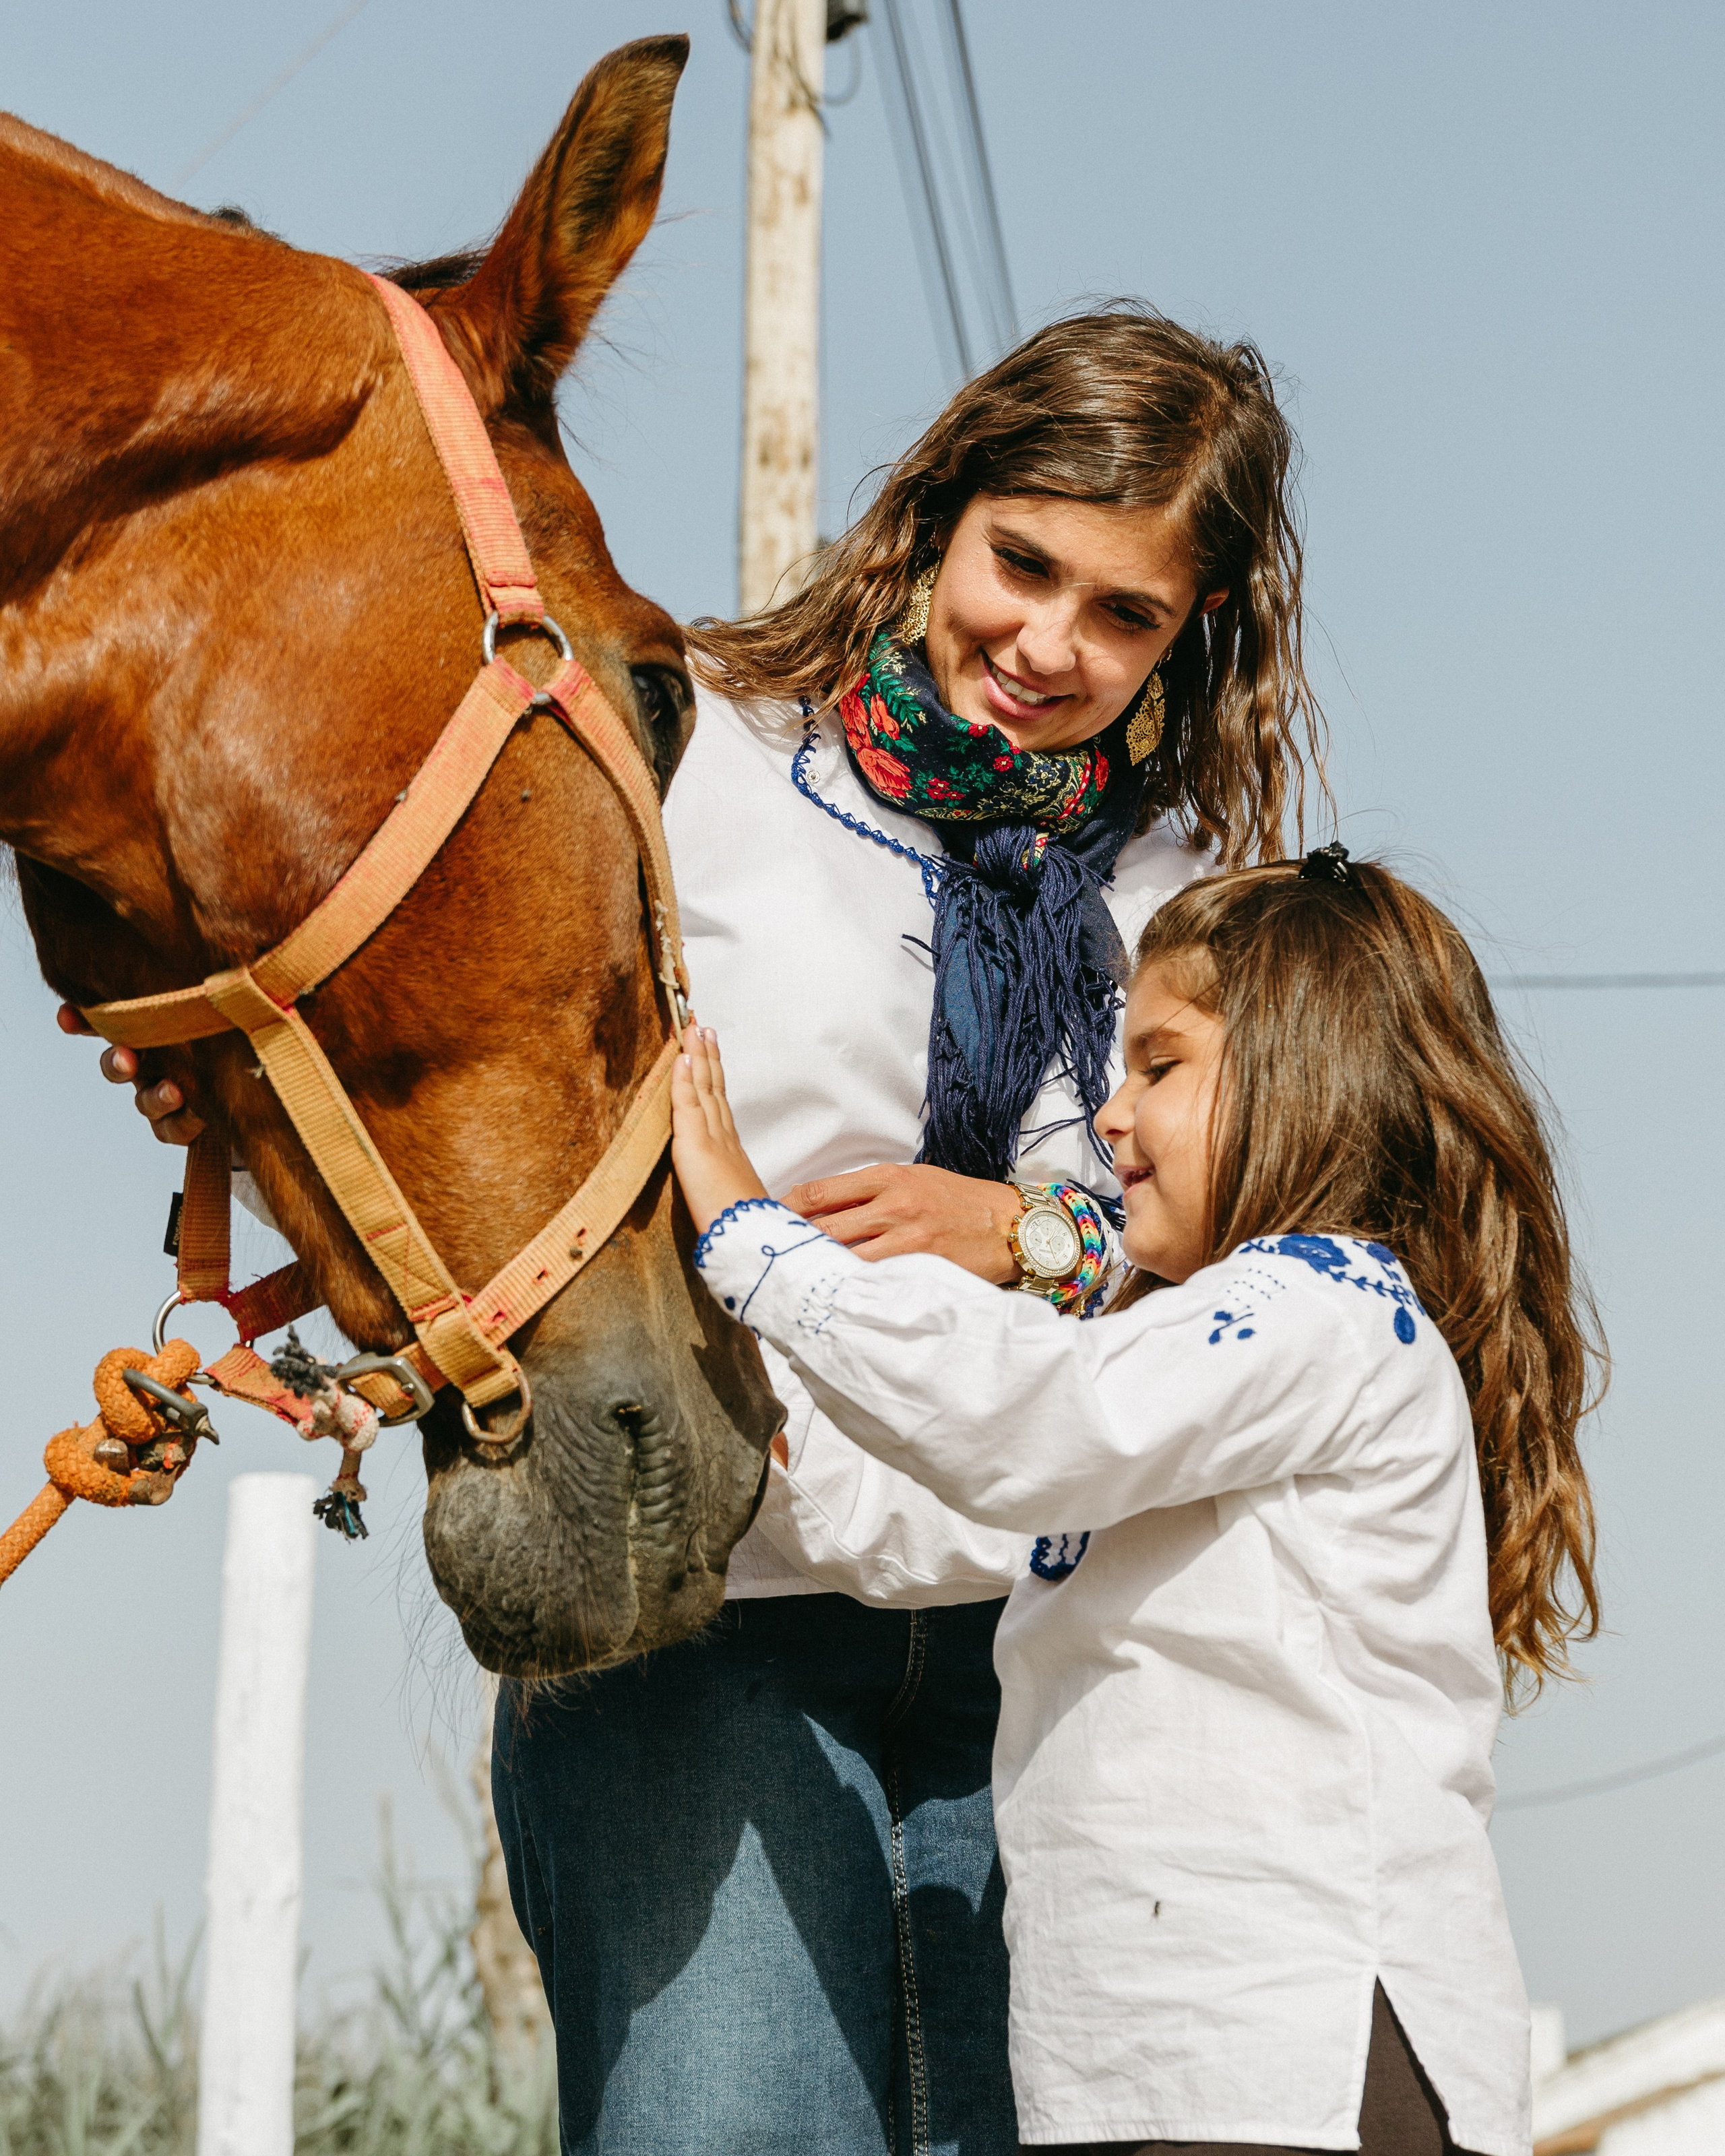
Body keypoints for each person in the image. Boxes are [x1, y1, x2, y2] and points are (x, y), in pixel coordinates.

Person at [83, 308, 1323, 2155]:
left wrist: (1029, 1233)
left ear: (1192, 631)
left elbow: (1277, 1224)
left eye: (1127, 614)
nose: (1051, 646)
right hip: (713, 1617)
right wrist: (229, 1107)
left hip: (1066, 1662)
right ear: (935, 516)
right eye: (1025, 564)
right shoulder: (694, 756)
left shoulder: (1192, 886)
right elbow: (483, 1060)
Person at [670, 850, 1602, 2156]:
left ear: (1304, 1073)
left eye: (1158, 1067)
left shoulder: (1327, 1309)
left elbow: (1028, 1417)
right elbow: (921, 1509)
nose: (1109, 1117)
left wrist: (753, 1242)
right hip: (1157, 2074)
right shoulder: (1179, 1387)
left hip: (1297, 2061)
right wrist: (738, 1407)